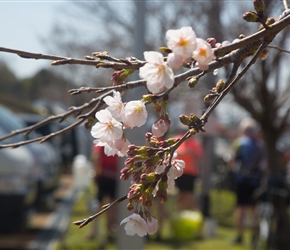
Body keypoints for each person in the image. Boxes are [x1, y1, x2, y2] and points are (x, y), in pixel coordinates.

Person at [231, 118, 265, 244]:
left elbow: (233, 161)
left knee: (240, 208)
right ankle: (253, 237)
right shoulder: (261, 145)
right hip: (255, 181)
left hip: (241, 179)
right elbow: (264, 164)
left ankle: (239, 236)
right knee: (254, 209)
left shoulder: (239, 143)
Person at [86, 145, 119, 244]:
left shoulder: (102, 143)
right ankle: (108, 229)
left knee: (101, 204)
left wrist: (96, 173)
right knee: (111, 205)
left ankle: (96, 230)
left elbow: (97, 156)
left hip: (105, 175)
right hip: (113, 176)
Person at [174, 133, 203, 211]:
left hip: (190, 173)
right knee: (181, 195)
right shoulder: (177, 139)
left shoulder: (195, 143)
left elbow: (198, 156)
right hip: (179, 172)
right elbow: (175, 153)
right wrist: (187, 153)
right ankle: (180, 213)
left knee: (190, 195)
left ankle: (193, 213)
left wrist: (185, 153)